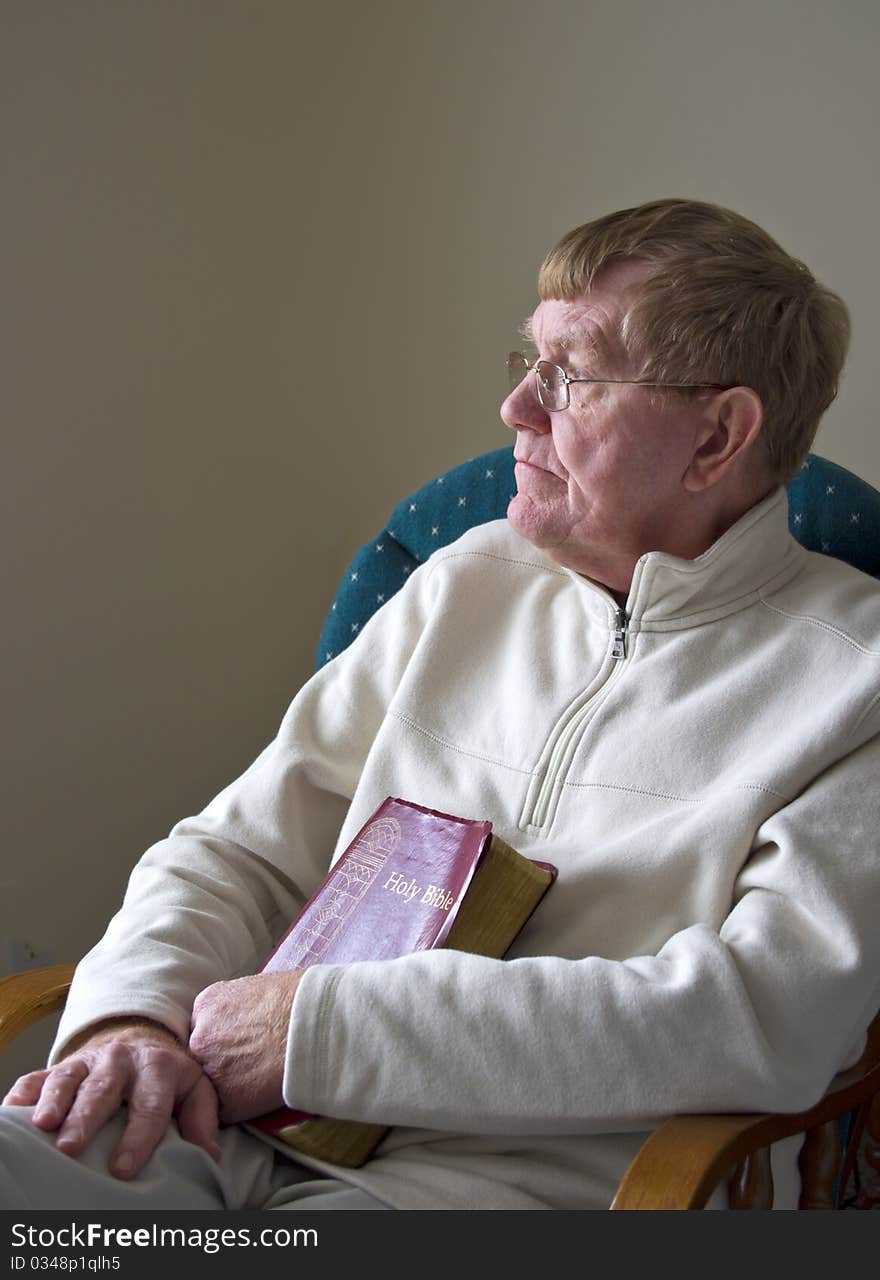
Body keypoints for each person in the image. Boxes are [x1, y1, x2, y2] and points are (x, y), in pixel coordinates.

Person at [2, 198, 878, 1211]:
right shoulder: (467, 578)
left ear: (717, 434)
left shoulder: (851, 682)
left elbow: (757, 1018)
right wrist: (129, 1019)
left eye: (572, 376)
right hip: (218, 1116)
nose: (517, 410)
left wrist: (319, 1034)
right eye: (526, 363)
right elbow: (236, 847)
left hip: (512, 1181)